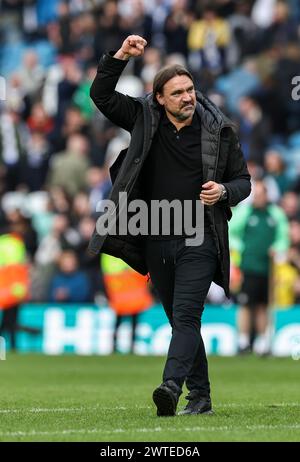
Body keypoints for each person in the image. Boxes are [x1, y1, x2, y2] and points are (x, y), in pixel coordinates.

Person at [88, 35, 251, 417]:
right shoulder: (144, 118)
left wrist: (225, 191)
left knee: (187, 316)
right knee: (180, 322)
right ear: (159, 98)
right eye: (177, 92)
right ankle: (202, 398)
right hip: (155, 235)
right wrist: (120, 57)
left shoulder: (220, 131)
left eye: (190, 90)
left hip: (200, 236)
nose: (187, 97)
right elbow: (101, 96)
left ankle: (170, 386)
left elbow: (245, 181)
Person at [229, 180, 289, 355]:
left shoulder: (275, 214)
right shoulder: (245, 213)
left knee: (263, 305)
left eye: (262, 194)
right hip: (248, 265)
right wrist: (242, 247)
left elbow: (282, 237)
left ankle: (262, 342)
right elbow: (231, 231)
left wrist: (277, 248)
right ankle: (243, 341)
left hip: (267, 267)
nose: (259, 197)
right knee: (246, 304)